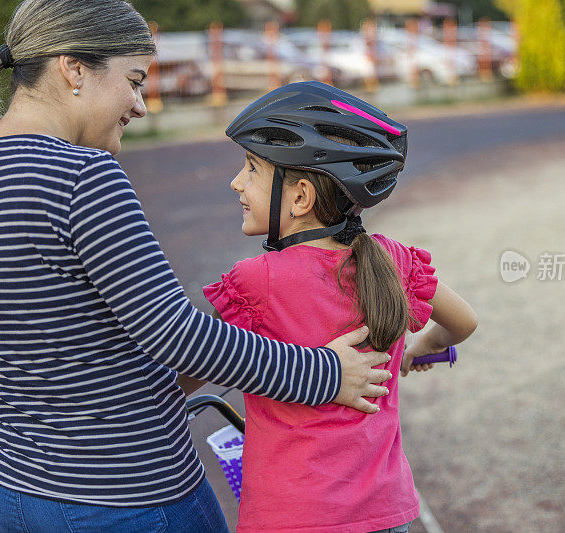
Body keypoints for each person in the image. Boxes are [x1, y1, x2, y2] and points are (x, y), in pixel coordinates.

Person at [0, 2, 393, 531]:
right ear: (73, 68)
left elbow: (68, 357)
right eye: (132, 80)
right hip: (126, 495)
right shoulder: (83, 175)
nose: (140, 104)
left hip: (11, 493)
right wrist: (324, 374)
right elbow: (174, 336)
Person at [203, 81, 478, 532]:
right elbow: (464, 322)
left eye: (252, 169)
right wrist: (417, 347)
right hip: (387, 514)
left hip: (295, 518)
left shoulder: (257, 281)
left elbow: (188, 371)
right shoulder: (392, 259)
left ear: (301, 198)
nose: (237, 182)